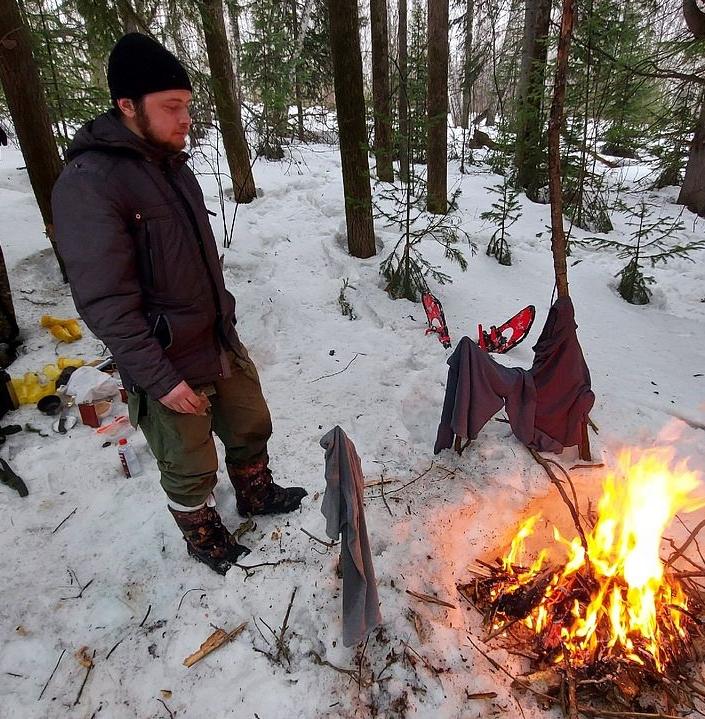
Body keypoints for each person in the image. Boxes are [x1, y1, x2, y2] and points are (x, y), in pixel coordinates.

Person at [52, 33, 306, 575]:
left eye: (187, 105)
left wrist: (226, 320)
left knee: (248, 424)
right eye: (171, 107)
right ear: (127, 106)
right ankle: (202, 533)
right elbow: (105, 300)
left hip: (214, 338)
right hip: (165, 360)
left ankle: (256, 493)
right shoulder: (90, 183)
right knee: (189, 460)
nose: (184, 117)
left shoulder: (171, 165)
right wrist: (158, 378)